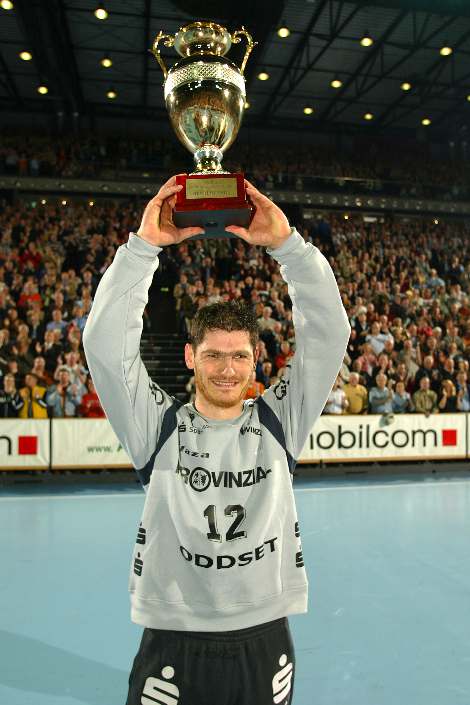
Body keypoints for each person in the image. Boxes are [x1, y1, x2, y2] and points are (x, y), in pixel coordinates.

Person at [83, 175, 350, 705]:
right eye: (212, 355)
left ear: (256, 358)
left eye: (238, 356)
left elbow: (329, 333)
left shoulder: (280, 420)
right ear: (190, 357)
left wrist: (288, 247)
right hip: (175, 637)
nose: (227, 370)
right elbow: (105, 345)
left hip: (264, 636)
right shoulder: (157, 426)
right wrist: (142, 249)